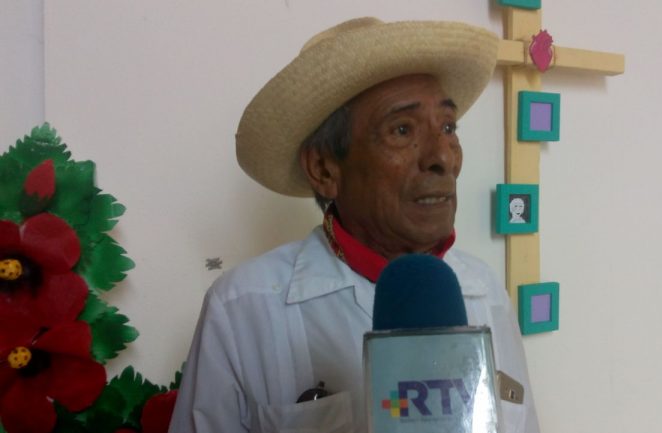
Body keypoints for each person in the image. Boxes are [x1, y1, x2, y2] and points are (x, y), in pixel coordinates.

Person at [169, 17, 540, 433]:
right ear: (324, 169)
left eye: (448, 127)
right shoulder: (242, 310)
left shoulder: (485, 290)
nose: (442, 157)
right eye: (402, 129)